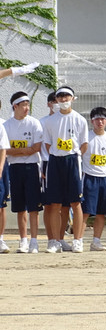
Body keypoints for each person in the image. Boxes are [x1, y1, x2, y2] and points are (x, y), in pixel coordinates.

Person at [42, 86, 88, 253]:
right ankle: (54, 241)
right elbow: (47, 144)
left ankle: (78, 240)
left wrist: (76, 156)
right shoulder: (50, 121)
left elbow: (84, 143)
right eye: (60, 96)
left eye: (66, 96)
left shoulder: (80, 119)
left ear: (73, 98)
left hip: (72, 161)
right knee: (54, 203)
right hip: (55, 161)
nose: (63, 99)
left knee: (75, 202)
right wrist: (57, 155)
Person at [4, 91, 43, 253]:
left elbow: (36, 148)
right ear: (15, 106)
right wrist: (24, 150)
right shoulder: (6, 126)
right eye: (24, 105)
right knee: (19, 207)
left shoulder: (34, 123)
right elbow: (5, 150)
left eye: (28, 104)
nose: (27, 108)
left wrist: (17, 150)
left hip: (32, 167)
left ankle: (34, 241)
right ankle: (23, 240)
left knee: (33, 207)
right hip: (15, 168)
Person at [80, 107, 106, 251]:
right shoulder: (86, 138)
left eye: (103, 119)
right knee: (85, 211)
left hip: (105, 178)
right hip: (89, 177)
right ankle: (79, 239)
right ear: (92, 121)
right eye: (97, 119)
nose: (100, 122)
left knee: (102, 212)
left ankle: (96, 241)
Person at [0, 114, 9, 253]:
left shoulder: (2, 124)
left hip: (1, 168)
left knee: (1, 206)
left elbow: (3, 148)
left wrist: (0, 168)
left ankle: (0, 239)